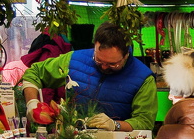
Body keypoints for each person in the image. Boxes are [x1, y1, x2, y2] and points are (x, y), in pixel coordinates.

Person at [20, 23, 157, 132]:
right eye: (99, 61)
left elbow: (145, 121)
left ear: (126, 55)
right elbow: (34, 73)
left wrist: (116, 125)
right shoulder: (74, 60)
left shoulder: (143, 78)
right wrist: (32, 102)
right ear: (95, 46)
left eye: (112, 64)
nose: (104, 67)